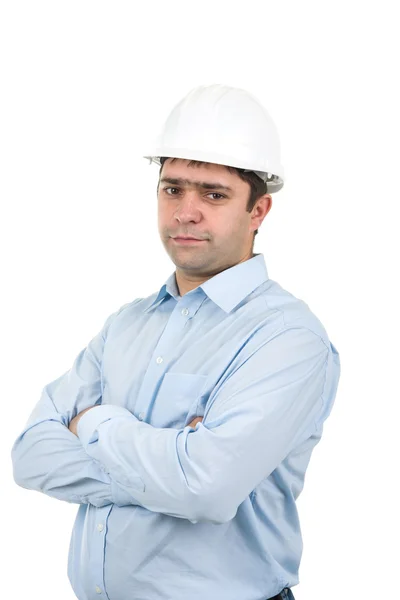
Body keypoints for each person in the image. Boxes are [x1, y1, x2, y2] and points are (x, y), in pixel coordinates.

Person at [11, 83, 341, 600]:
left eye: (214, 194)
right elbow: (30, 455)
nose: (186, 212)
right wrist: (169, 470)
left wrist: (95, 423)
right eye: (173, 189)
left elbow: (206, 490)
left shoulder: (287, 338)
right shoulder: (126, 324)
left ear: (258, 212)